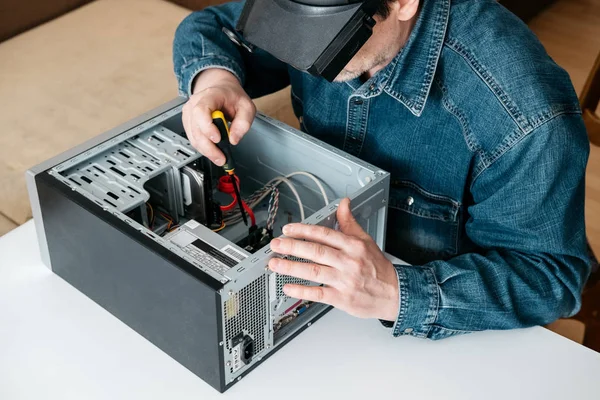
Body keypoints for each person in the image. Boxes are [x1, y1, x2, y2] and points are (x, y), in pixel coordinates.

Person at [173, 0, 591, 339]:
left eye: (328, 35)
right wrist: (216, 80)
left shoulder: (523, 117)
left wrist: (397, 292)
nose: (306, 55)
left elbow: (551, 278)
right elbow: (210, 27)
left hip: (430, 329)